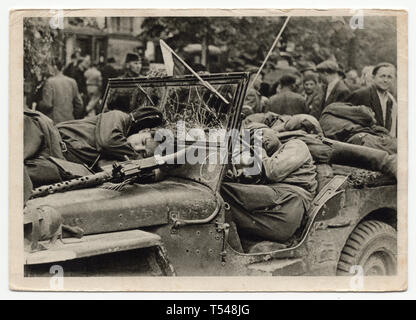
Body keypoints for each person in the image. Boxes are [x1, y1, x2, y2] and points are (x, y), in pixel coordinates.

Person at [222, 127, 317, 243]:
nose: (261, 140)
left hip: (290, 199)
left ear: (275, 132)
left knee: (221, 192)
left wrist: (260, 153)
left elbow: (274, 172)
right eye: (255, 141)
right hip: (280, 209)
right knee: (222, 198)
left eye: (262, 133)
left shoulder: (296, 145)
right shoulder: (265, 162)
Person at [347, 62, 397, 137]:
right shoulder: (361, 94)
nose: (385, 80)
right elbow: (346, 120)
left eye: (389, 77)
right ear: (373, 77)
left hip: (381, 144)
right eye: (382, 76)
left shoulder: (390, 101)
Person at [38, 59, 84, 124]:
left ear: (54, 67)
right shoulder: (72, 81)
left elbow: (47, 104)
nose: (46, 70)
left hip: (55, 122)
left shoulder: (49, 82)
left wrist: (38, 105)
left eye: (47, 67)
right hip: (69, 122)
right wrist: (73, 116)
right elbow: (79, 104)